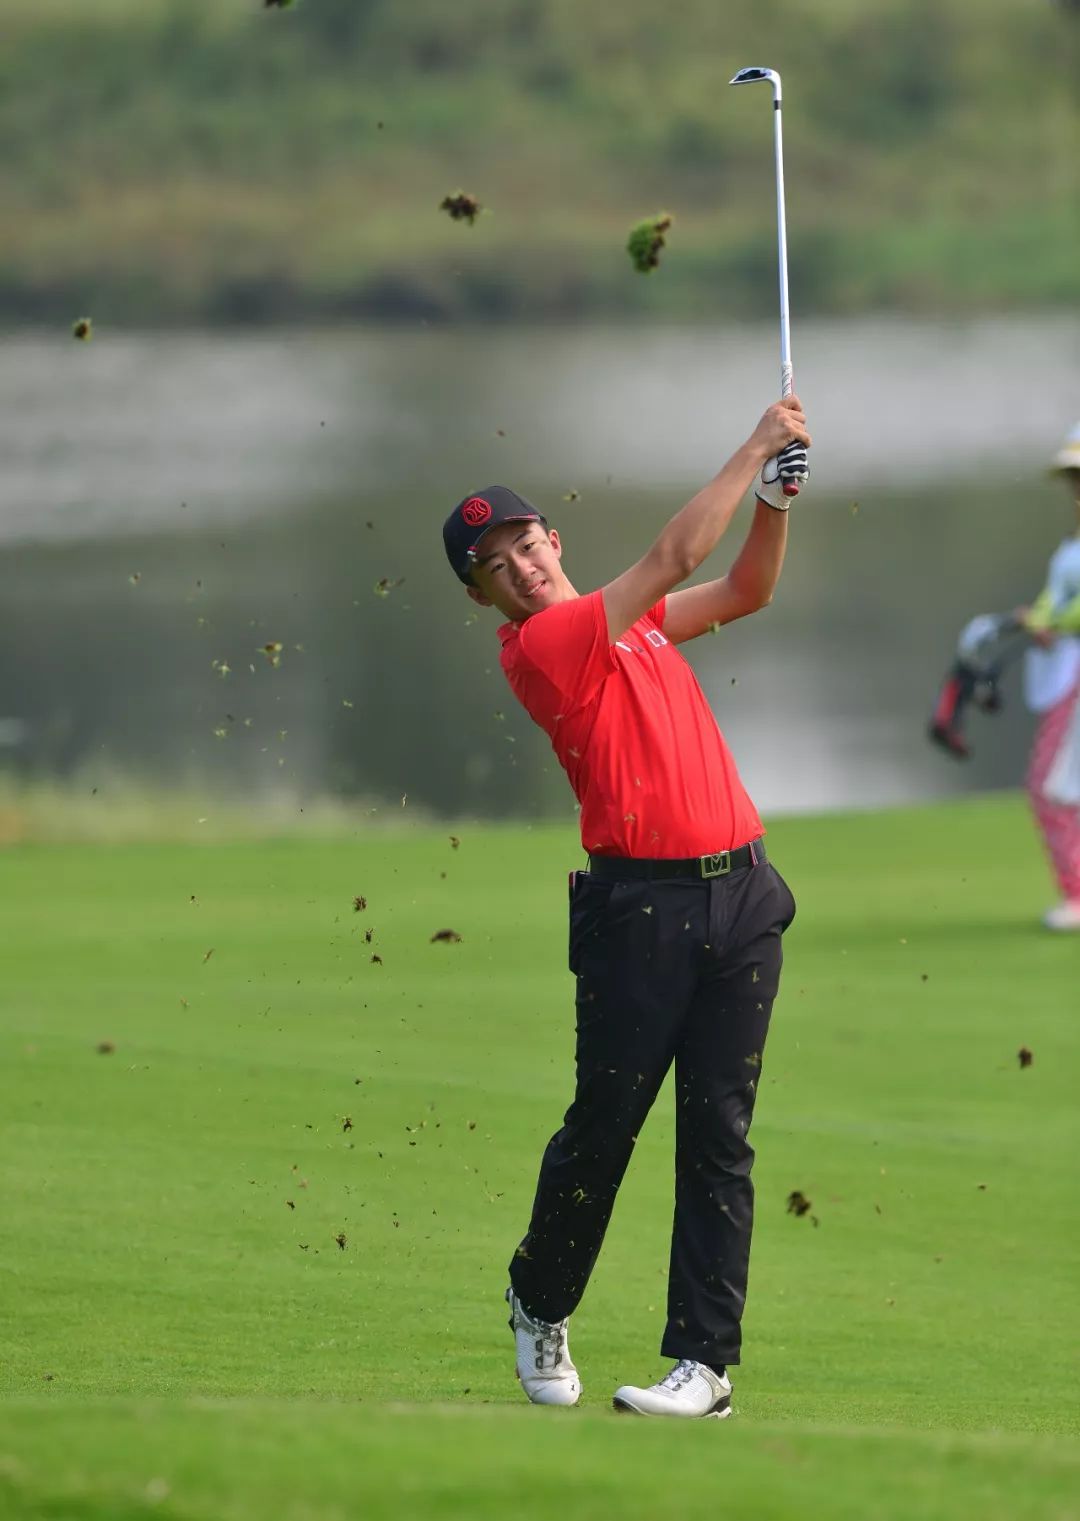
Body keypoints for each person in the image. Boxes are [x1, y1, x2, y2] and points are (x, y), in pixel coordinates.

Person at [442, 396, 811, 1418]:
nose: (520, 564)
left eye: (525, 542)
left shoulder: (628, 622)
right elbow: (678, 554)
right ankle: (537, 1299)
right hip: (637, 914)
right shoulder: (546, 649)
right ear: (484, 597)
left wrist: (776, 499)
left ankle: (703, 1363)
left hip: (741, 895)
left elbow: (747, 585)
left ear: (550, 536)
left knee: (720, 1137)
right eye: (496, 565)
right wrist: (755, 446)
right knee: (604, 1131)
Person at [1019, 422, 1080, 931]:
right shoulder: (1070, 545)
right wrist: (1039, 618)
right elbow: (1054, 600)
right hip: (1067, 678)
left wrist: (1049, 621)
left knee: (1052, 786)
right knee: (1052, 787)